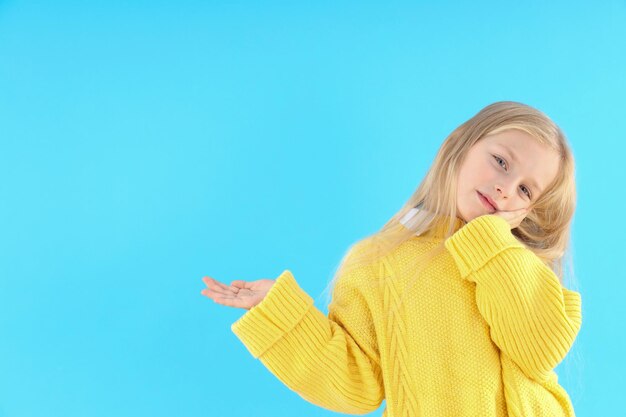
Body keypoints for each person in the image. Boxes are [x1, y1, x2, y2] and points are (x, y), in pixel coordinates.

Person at [200, 101, 582, 417]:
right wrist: (282, 315)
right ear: (461, 146)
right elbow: (356, 384)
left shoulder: (520, 267)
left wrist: (492, 242)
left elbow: (540, 350)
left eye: (525, 190)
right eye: (501, 162)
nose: (505, 187)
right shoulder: (379, 262)